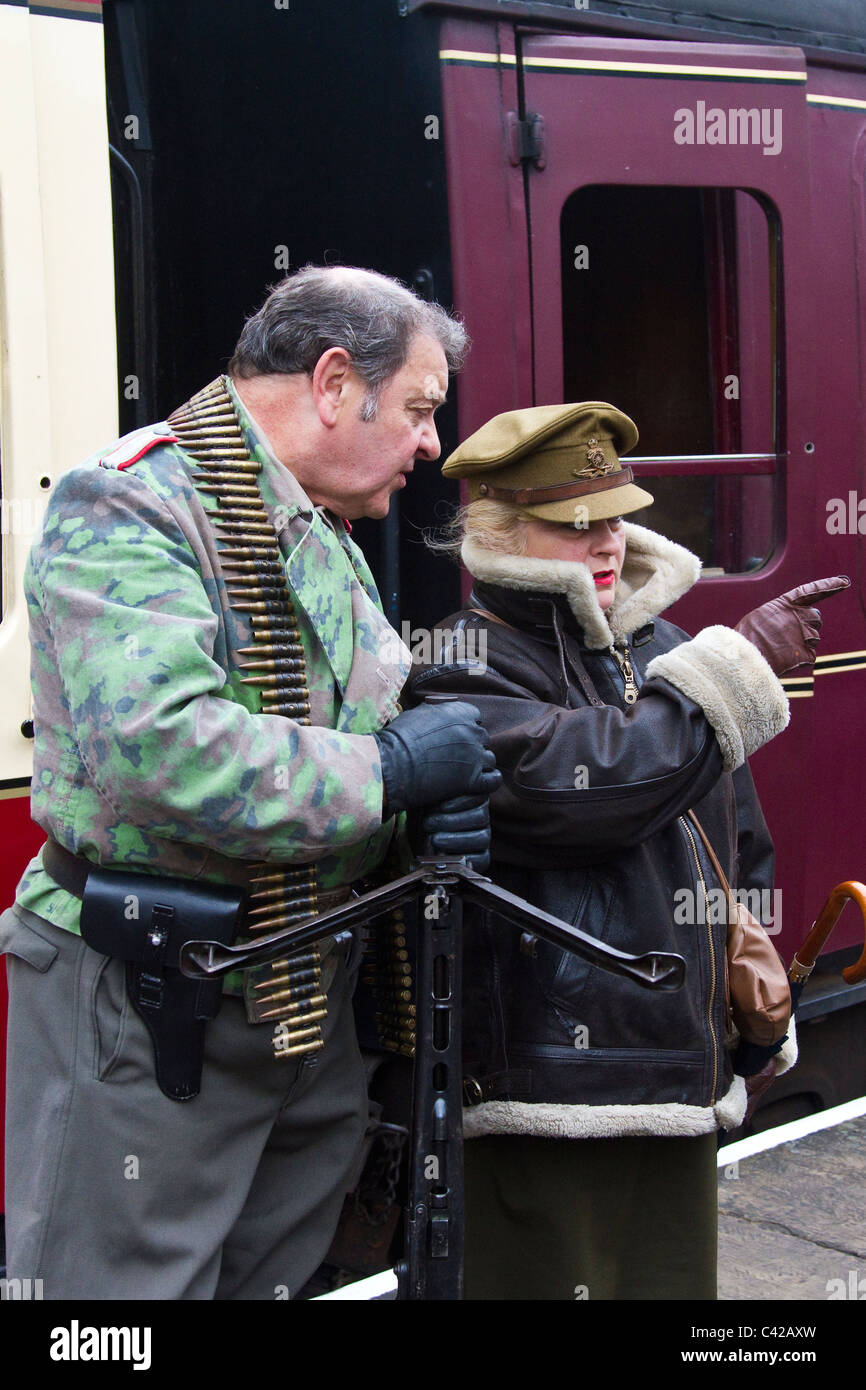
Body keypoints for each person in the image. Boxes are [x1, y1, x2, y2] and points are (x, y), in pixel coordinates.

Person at [0, 265, 498, 1300]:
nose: (430, 446)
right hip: (155, 1004)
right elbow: (162, 753)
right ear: (329, 382)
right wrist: (392, 771)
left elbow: (354, 714)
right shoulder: (133, 502)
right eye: (415, 409)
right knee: (117, 1304)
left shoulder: (316, 527)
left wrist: (426, 798)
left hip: (295, 992)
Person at [408, 400, 848, 1300]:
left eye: (616, 517)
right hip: (553, 1091)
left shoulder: (666, 648)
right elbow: (592, 793)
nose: (607, 542)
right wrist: (737, 667)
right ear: (501, 532)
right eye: (575, 524)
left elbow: (738, 843)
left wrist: (749, 1025)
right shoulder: (459, 662)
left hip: (678, 1076)